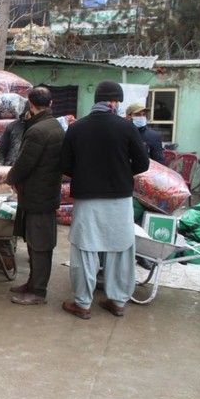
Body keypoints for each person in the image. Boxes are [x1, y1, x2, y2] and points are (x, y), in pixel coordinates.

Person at [60, 80, 149, 319]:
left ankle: (82, 304)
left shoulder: (77, 128)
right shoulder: (126, 128)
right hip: (119, 198)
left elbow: (64, 165)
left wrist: (85, 173)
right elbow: (143, 163)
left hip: (87, 199)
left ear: (97, 100)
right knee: (120, 248)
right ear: (115, 102)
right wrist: (120, 172)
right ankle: (117, 301)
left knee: (85, 249)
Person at [6, 86, 65, 305]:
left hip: (38, 196)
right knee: (35, 243)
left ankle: (38, 291)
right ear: (51, 104)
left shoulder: (38, 131)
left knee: (40, 245)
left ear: (30, 105)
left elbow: (24, 163)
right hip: (44, 193)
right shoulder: (54, 125)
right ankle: (32, 283)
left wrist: (10, 178)